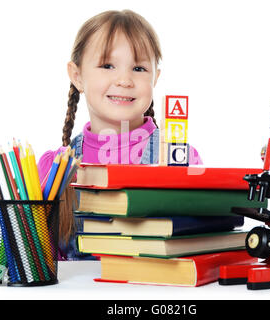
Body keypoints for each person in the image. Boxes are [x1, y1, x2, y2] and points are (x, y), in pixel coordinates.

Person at [38, 9, 203, 260]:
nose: (125, 80)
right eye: (107, 65)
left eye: (138, 68)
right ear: (77, 76)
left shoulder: (178, 157)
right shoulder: (56, 168)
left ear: (155, 78)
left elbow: (198, 239)